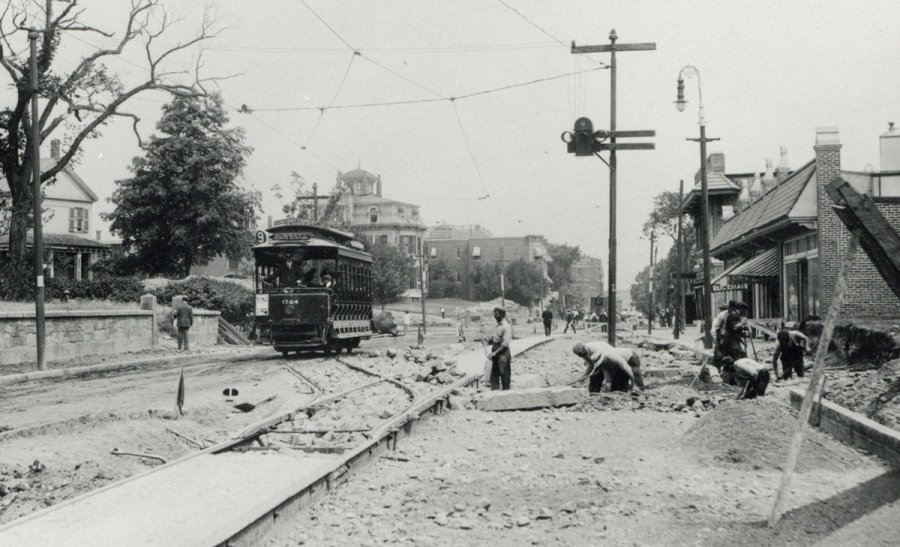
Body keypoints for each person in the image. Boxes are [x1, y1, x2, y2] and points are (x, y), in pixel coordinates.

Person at [572, 341, 644, 393]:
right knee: (616, 387)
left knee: (634, 373)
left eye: (581, 353)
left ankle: (641, 389)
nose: (580, 356)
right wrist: (608, 393)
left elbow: (627, 369)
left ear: (584, 349)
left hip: (631, 357)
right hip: (609, 359)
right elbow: (608, 380)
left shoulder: (611, 357)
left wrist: (633, 384)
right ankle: (594, 393)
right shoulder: (605, 365)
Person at [487, 307, 513, 390]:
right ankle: (494, 392)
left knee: (504, 373)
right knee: (494, 373)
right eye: (494, 313)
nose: (495, 315)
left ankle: (506, 392)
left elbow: (505, 344)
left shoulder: (506, 326)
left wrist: (494, 353)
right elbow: (496, 338)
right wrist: (489, 339)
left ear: (502, 314)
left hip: (503, 352)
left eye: (497, 313)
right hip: (495, 349)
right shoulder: (497, 325)